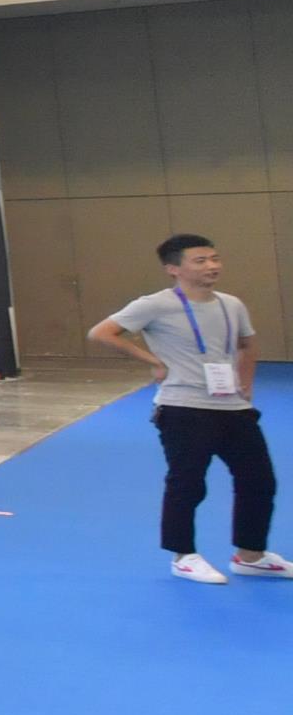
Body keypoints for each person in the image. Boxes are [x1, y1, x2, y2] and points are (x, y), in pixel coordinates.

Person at [91, 231, 284, 584]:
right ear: (173, 269)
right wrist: (153, 360)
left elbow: (247, 344)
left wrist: (246, 385)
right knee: (188, 483)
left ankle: (250, 555)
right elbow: (102, 333)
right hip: (183, 407)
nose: (212, 266)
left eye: (215, 258)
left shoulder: (231, 304)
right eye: (201, 260)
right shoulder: (154, 304)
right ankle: (183, 556)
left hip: (232, 407)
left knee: (259, 480)